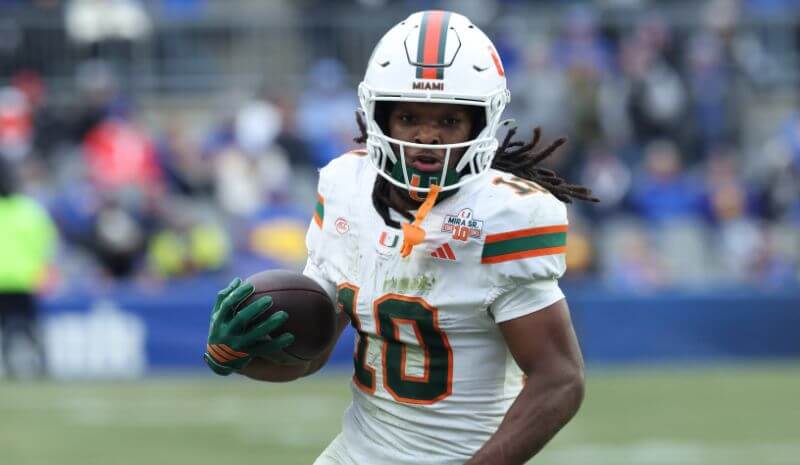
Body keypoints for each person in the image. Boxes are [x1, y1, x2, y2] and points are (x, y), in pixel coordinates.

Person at [203, 11, 597, 465]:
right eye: (409, 116)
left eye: (448, 121)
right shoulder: (345, 190)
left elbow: (560, 377)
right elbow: (310, 356)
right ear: (379, 117)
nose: (427, 136)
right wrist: (237, 357)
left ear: (479, 124)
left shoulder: (503, 215)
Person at [0, 158, 56, 379]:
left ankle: (12, 366)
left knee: (8, 331)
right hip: (25, 280)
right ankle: (39, 366)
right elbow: (47, 244)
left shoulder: (30, 210)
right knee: (28, 329)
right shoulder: (30, 210)